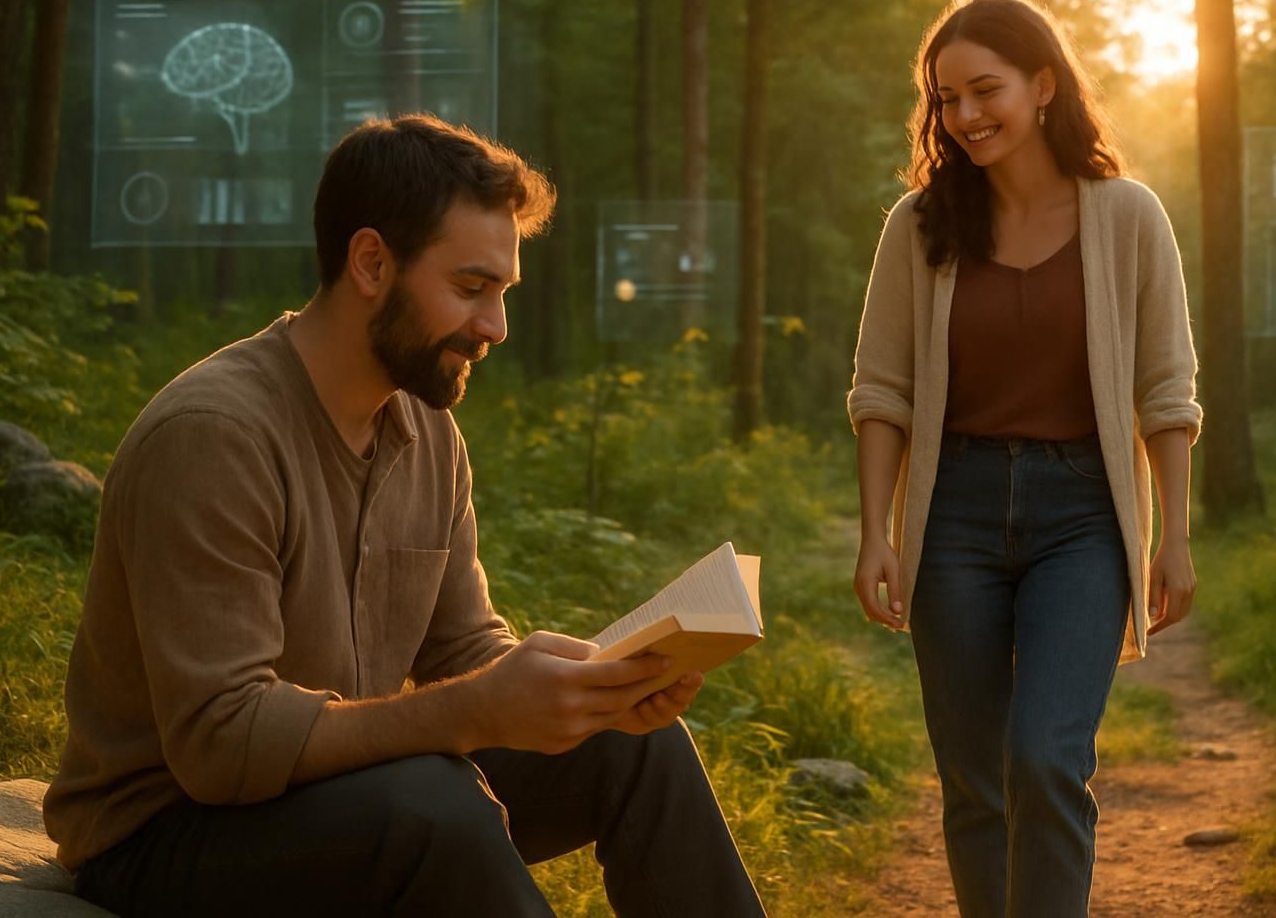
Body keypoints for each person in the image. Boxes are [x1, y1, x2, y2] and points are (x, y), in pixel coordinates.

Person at [44, 115, 766, 918]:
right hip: (164, 833)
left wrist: (589, 692)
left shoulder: (426, 430)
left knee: (635, 746)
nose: (495, 327)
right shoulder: (214, 436)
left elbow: (463, 651)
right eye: (470, 288)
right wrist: (475, 710)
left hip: (340, 791)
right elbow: (221, 743)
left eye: (502, 293)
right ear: (371, 262)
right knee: (436, 805)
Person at [847, 0, 1203, 917]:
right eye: (946, 99)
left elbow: (1166, 390)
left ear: (1044, 85)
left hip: (1082, 515)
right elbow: (881, 393)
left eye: (985, 90)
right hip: (951, 515)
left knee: (1044, 758)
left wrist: (1173, 536)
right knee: (974, 781)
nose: (964, 115)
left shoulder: (1129, 217)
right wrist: (878, 534)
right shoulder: (918, 227)